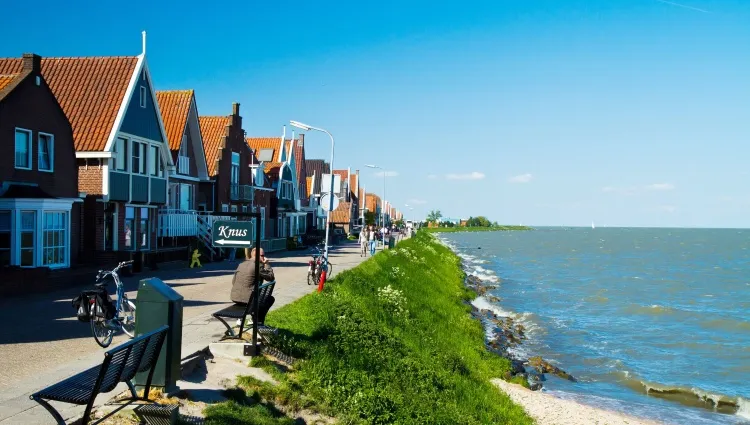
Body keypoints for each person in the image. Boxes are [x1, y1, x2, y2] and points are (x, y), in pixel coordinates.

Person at [231, 248, 275, 326]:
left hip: (235, 298)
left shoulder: (241, 264)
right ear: (256, 256)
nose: (264, 257)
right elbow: (270, 277)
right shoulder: (258, 265)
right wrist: (267, 264)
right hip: (248, 300)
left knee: (254, 296)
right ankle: (257, 321)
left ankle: (243, 319)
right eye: (262, 255)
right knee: (270, 299)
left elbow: (233, 281)